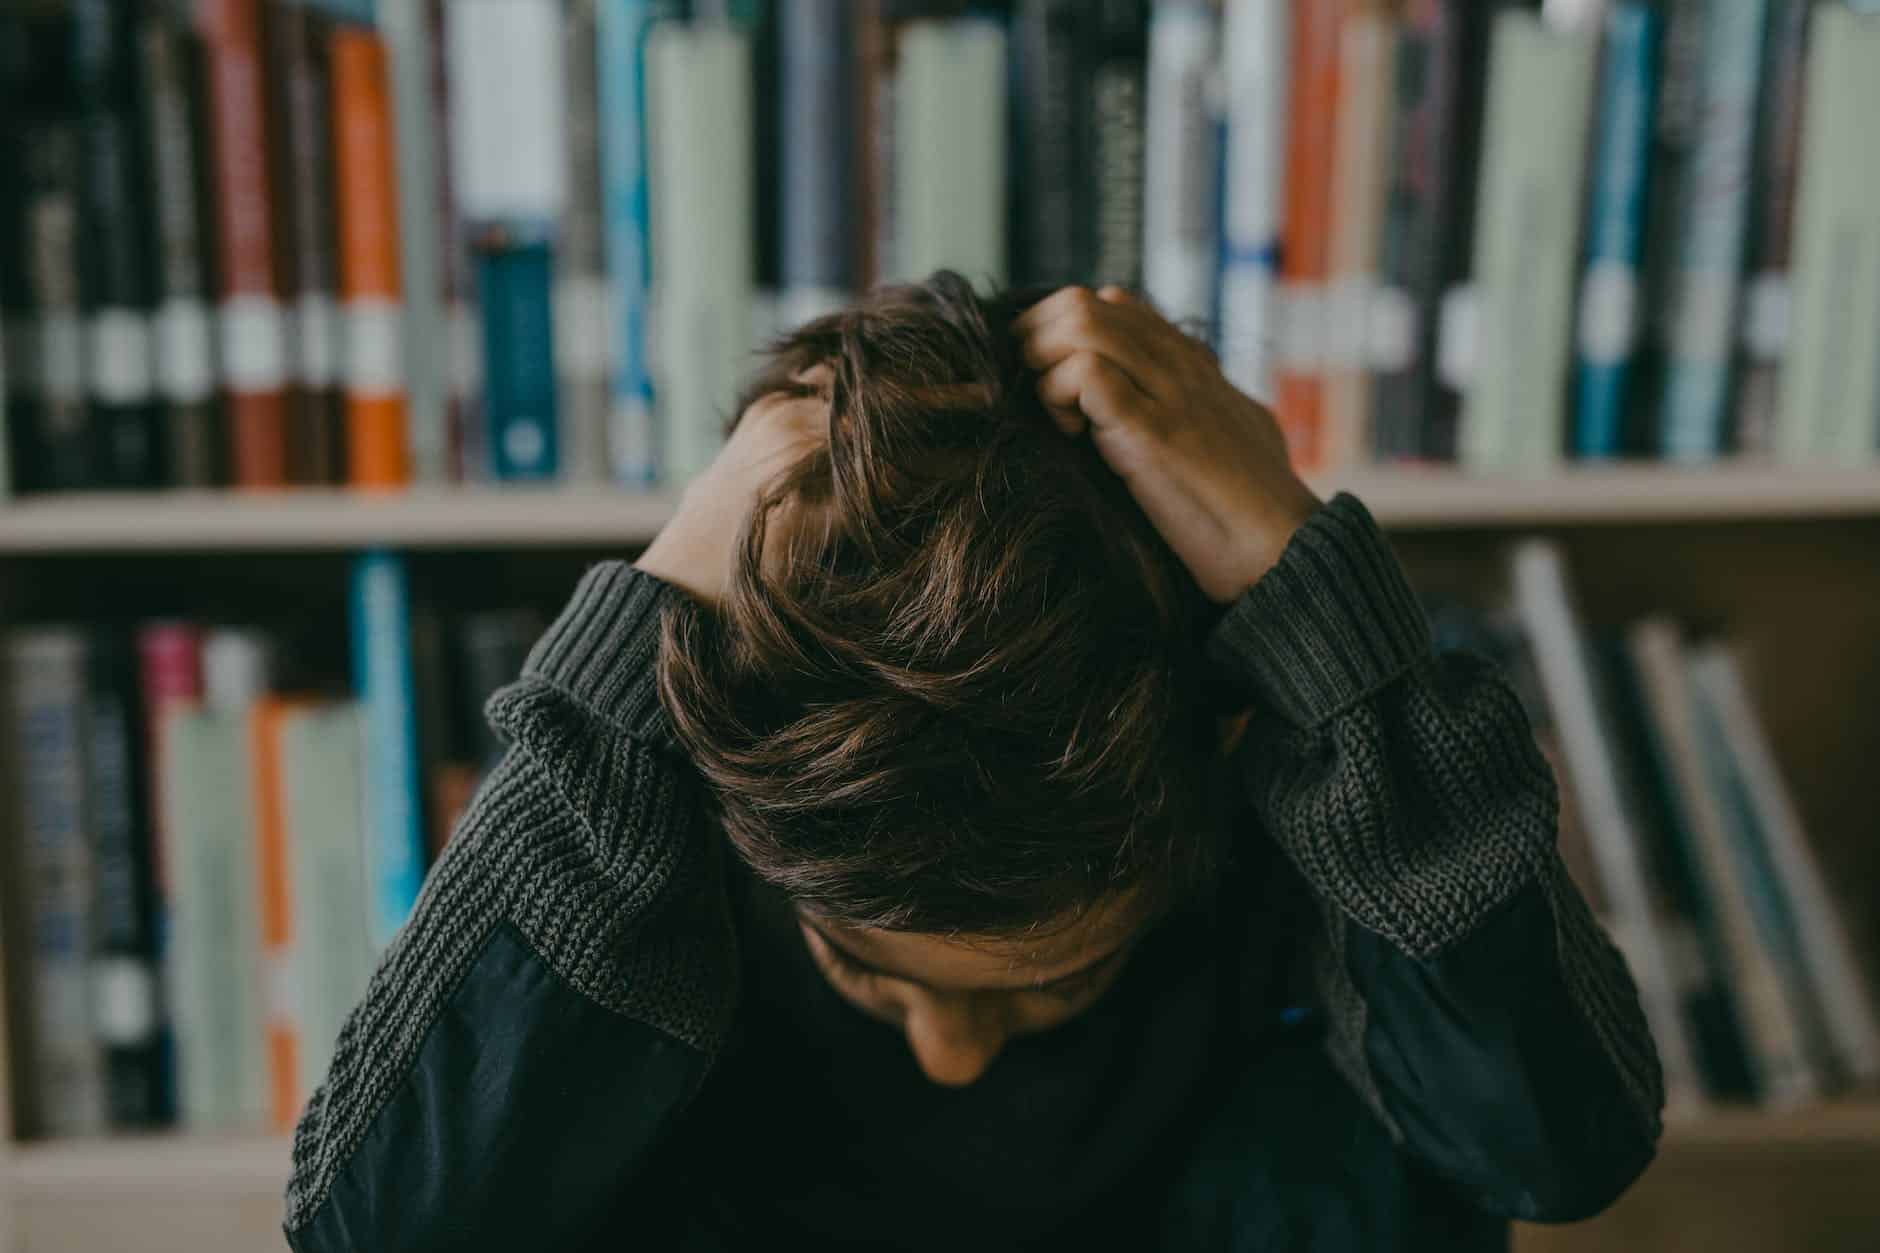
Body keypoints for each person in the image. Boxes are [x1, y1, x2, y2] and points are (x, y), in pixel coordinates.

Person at [282, 275, 1662, 1252]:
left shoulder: (1270, 794)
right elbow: (379, 1230)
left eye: (1057, 975)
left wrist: (1338, 638)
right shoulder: (721, 808)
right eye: (867, 964)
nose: (950, 1056)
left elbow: (1560, 1148)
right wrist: (649, 626)